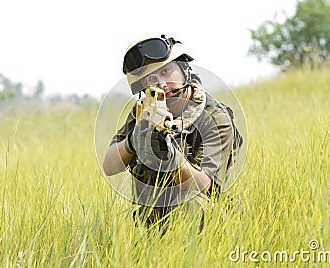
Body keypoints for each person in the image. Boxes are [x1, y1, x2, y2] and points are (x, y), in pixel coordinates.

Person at [103, 34, 242, 231]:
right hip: (152, 220)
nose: (161, 83)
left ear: (184, 69)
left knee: (190, 206)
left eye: (166, 71)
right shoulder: (144, 111)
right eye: (151, 78)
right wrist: (132, 143)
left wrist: (169, 155)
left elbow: (202, 184)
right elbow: (109, 165)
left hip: (205, 220)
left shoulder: (214, 118)